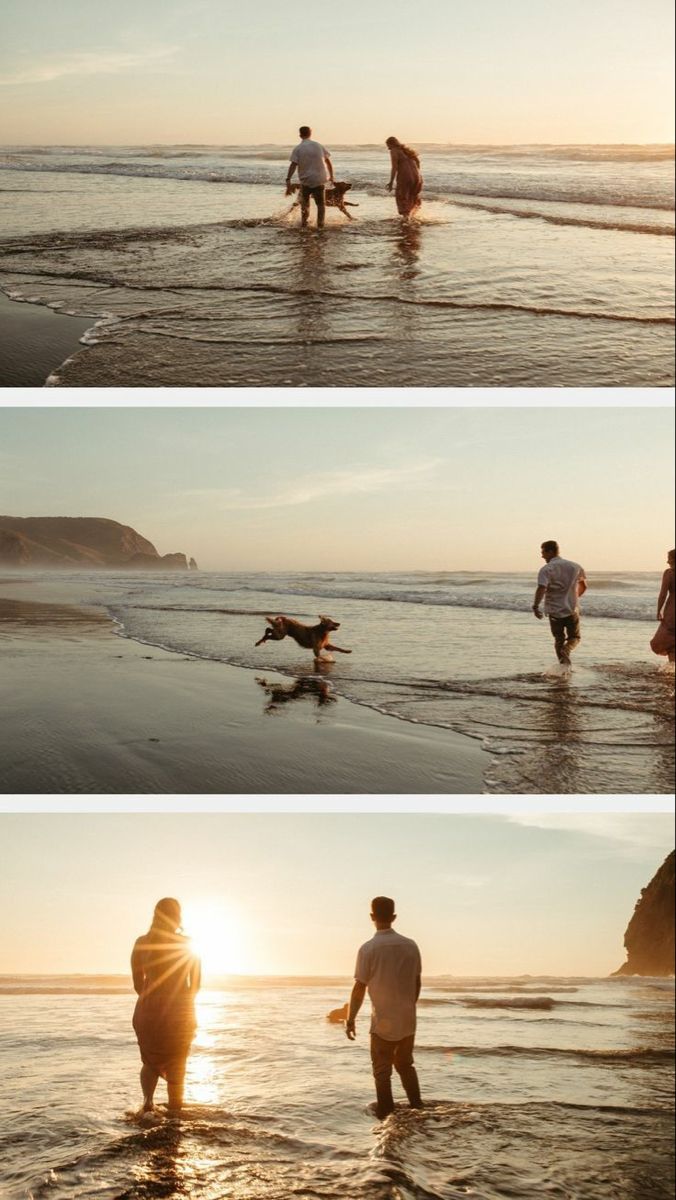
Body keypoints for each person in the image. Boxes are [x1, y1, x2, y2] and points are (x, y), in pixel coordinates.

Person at [346, 896, 423, 1119]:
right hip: (408, 1019)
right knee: (406, 1065)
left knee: (382, 1073)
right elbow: (416, 982)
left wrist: (350, 1019)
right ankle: (418, 1109)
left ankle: (387, 1119)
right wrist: (409, 1007)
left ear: (372, 917)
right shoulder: (411, 946)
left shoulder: (368, 949)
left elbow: (359, 987)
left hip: (382, 1022)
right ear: (394, 917)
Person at [131, 897, 201, 1114]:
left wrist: (151, 1000)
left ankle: (147, 1104)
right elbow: (196, 983)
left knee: (150, 1060)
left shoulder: (142, 942)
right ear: (178, 916)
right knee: (178, 1060)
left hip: (148, 1009)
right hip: (179, 1009)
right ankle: (175, 1112)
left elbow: (137, 982)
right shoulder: (187, 943)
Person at [533, 540, 587, 667]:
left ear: (550, 551)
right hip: (572, 609)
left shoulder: (546, 569)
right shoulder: (575, 566)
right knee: (575, 637)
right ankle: (567, 651)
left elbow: (542, 588)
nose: (542, 556)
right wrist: (573, 597)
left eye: (543, 552)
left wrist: (535, 606)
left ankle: (564, 667)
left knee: (559, 639)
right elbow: (583, 586)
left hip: (554, 610)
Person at [286, 126, 335, 229]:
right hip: (320, 179)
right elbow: (328, 161)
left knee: (305, 205)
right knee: (321, 205)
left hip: (306, 181)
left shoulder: (298, 148)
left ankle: (304, 224)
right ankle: (320, 225)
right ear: (310, 134)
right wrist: (331, 176)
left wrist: (288, 179)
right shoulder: (318, 145)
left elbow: (293, 165)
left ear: (300, 135)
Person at [385, 137, 423, 217]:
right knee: (413, 195)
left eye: (388, 145)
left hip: (405, 176)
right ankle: (414, 217)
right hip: (417, 176)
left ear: (391, 144)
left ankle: (406, 219)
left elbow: (394, 167)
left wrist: (391, 182)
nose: (388, 148)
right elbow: (418, 162)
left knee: (401, 196)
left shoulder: (394, 151)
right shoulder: (407, 151)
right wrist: (415, 173)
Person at [650, 549, 675, 662]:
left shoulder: (669, 573)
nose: (667, 561)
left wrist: (658, 610)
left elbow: (663, 594)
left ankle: (672, 666)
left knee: (668, 639)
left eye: (669, 558)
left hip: (672, 611)